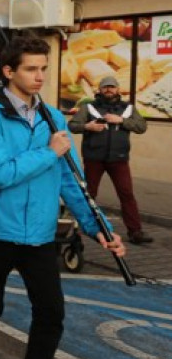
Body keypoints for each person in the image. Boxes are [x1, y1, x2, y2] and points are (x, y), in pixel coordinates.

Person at [0, 36, 125, 359]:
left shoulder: (53, 117)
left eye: (43, 68)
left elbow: (71, 182)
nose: (39, 76)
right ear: (8, 72)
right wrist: (49, 153)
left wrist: (99, 229)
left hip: (38, 233)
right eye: (30, 69)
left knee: (51, 313)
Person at [68, 75, 151, 244]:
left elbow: (142, 127)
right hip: (94, 158)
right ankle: (79, 227)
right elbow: (72, 125)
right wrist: (87, 126)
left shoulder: (127, 108)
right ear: (99, 89)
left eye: (112, 87)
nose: (109, 90)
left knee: (126, 193)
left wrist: (121, 120)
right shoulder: (88, 107)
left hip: (119, 159)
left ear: (118, 89)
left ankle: (135, 232)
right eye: (105, 87)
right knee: (89, 193)